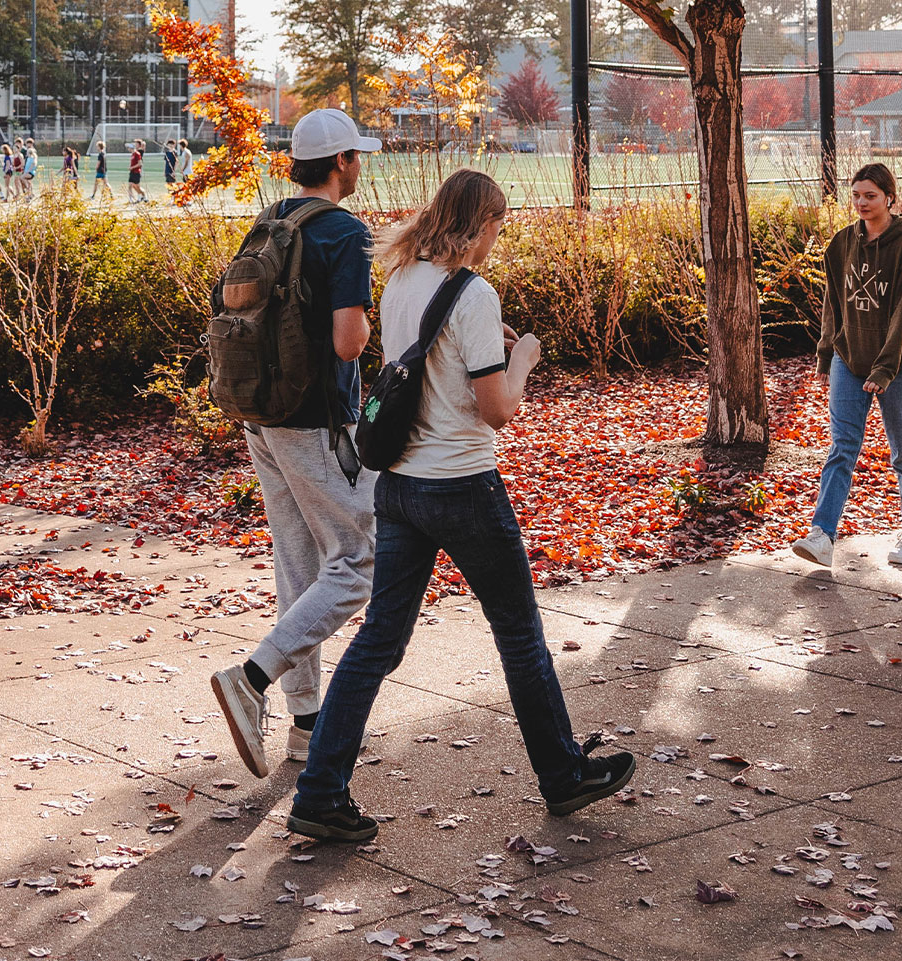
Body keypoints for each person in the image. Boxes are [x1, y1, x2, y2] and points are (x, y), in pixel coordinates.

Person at [286, 168, 639, 842]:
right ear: (479, 225)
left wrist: (486, 352)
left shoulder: (401, 282)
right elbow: (496, 409)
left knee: (377, 641)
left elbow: (426, 374)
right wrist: (525, 358)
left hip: (401, 489)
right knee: (519, 636)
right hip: (465, 489)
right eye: (497, 227)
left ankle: (320, 788)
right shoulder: (474, 293)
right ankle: (563, 775)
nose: (496, 240)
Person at [210, 108, 382, 782]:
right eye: (356, 156)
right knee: (360, 559)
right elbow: (347, 341)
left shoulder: (270, 220)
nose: (360, 166)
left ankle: (306, 727)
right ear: (340, 163)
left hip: (261, 418)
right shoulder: (345, 232)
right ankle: (251, 677)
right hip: (316, 420)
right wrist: (369, 327)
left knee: (299, 566)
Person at [791, 162, 902, 568]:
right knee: (842, 447)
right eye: (855, 195)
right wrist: (824, 354)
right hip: (849, 361)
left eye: (870, 196)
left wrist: (885, 368)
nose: (861, 203)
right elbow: (833, 305)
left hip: (898, 365)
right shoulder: (840, 245)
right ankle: (822, 535)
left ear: (890, 197)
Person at [126, 139, 147, 203]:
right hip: (132, 172)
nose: (128, 149)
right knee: (130, 186)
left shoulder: (137, 153)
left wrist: (132, 167)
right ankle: (131, 199)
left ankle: (144, 196)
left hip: (136, 172)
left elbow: (140, 163)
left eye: (129, 148)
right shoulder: (132, 154)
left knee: (137, 187)